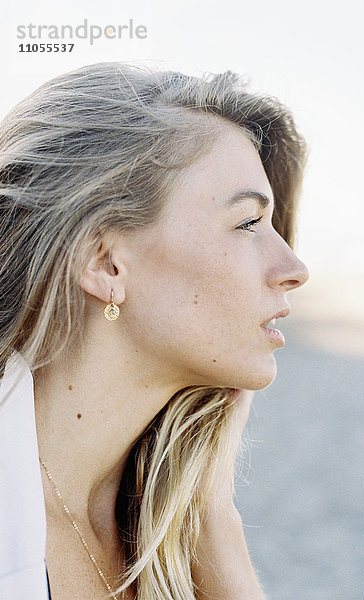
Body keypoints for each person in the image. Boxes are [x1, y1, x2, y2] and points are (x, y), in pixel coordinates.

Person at [0, 61, 309, 599]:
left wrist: (219, 530)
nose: (294, 268)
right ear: (105, 264)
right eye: (247, 223)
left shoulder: (174, 529)